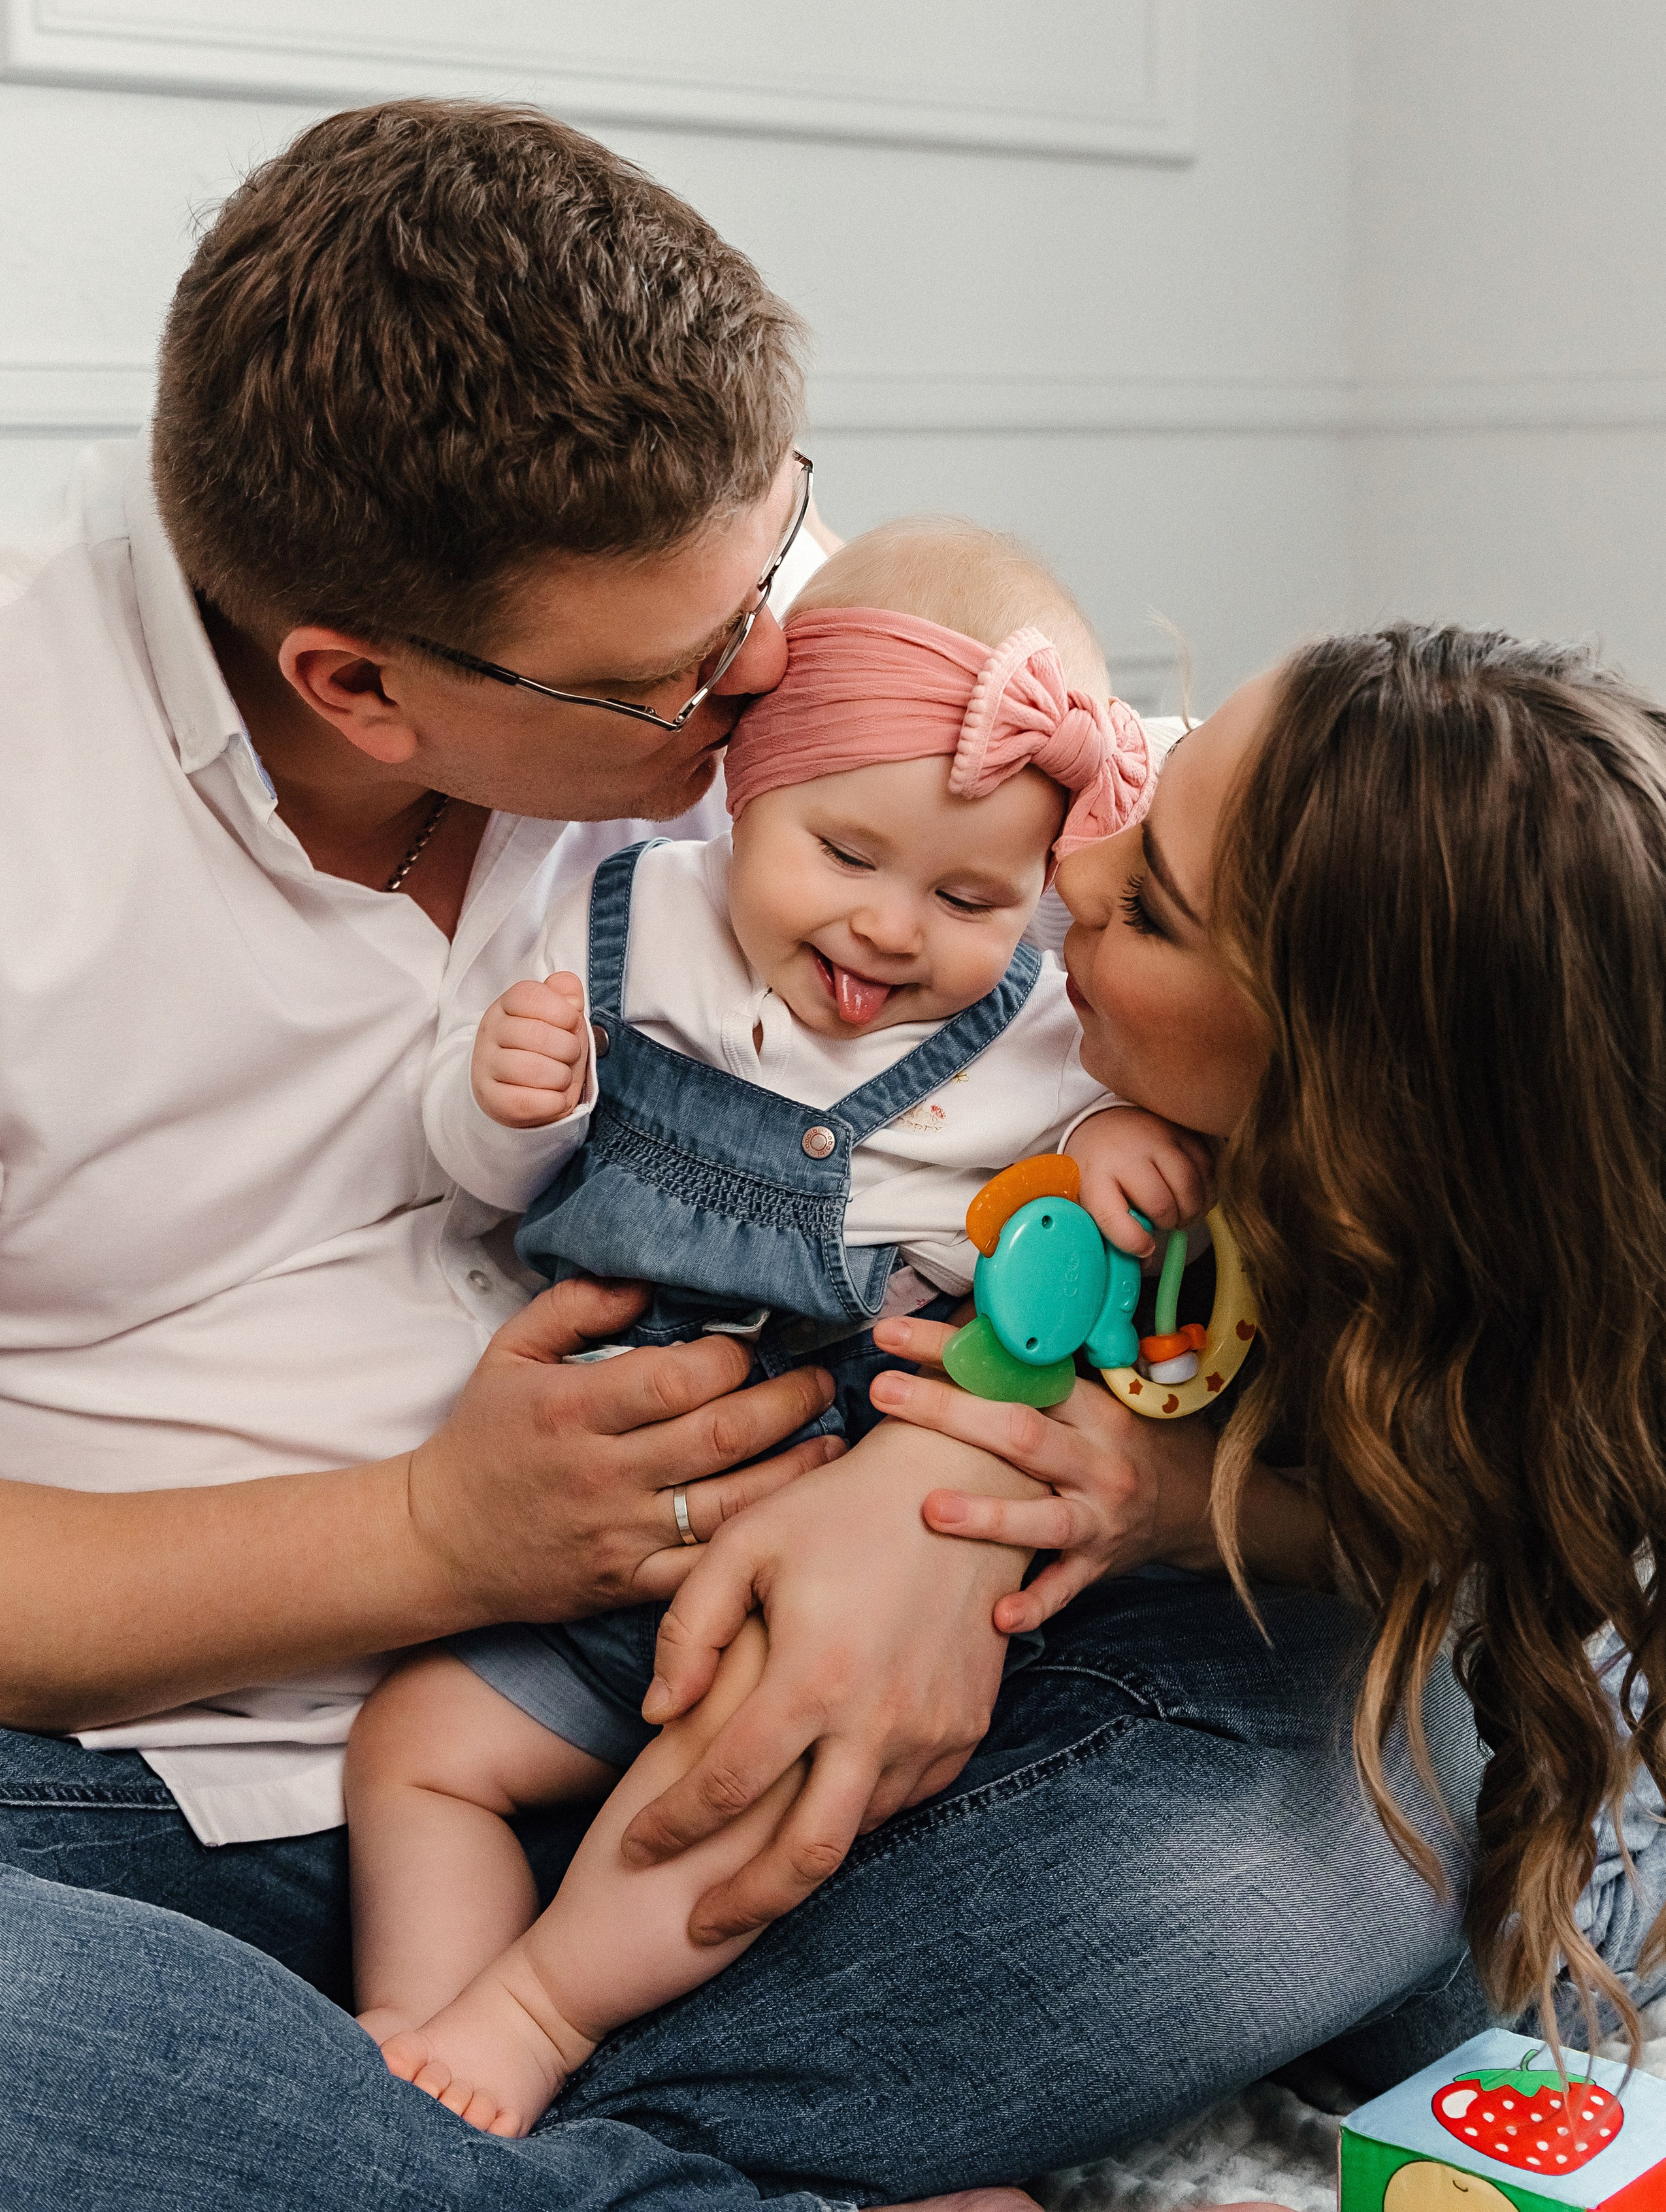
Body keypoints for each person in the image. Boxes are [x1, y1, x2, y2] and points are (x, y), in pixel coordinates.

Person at [0, 91, 1487, 2205]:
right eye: (688, 680)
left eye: (780, 554)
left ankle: (471, 2127)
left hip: (790, 1679)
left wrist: (943, 1492)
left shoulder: (753, 658)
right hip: (157, 1801)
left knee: (1374, 1754)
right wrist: (437, 1537)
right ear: (360, 683)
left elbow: (1110, 1047)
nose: (777, 674)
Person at [346, 521, 1215, 2134]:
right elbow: (482, 1181)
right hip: (595, 1520)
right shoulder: (622, 927)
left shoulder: (1036, 1030)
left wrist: (1096, 1150)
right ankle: (418, 2030)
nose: (891, 931)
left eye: (969, 895)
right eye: (844, 856)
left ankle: (537, 2015)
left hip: (835, 1532)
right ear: (747, 792)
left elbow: (1095, 1196)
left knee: (738, 1782)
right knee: (415, 1747)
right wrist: (503, 1104)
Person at [868, 623, 1666, 2059]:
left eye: (1156, 911)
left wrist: (1180, 1502)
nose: (1072, 868)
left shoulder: (1516, 1311)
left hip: (1547, 1832)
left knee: (1423, 1953)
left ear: (1345, 1100)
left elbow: (1462, 1547)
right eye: (1153, 777)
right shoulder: (1081, 1062)